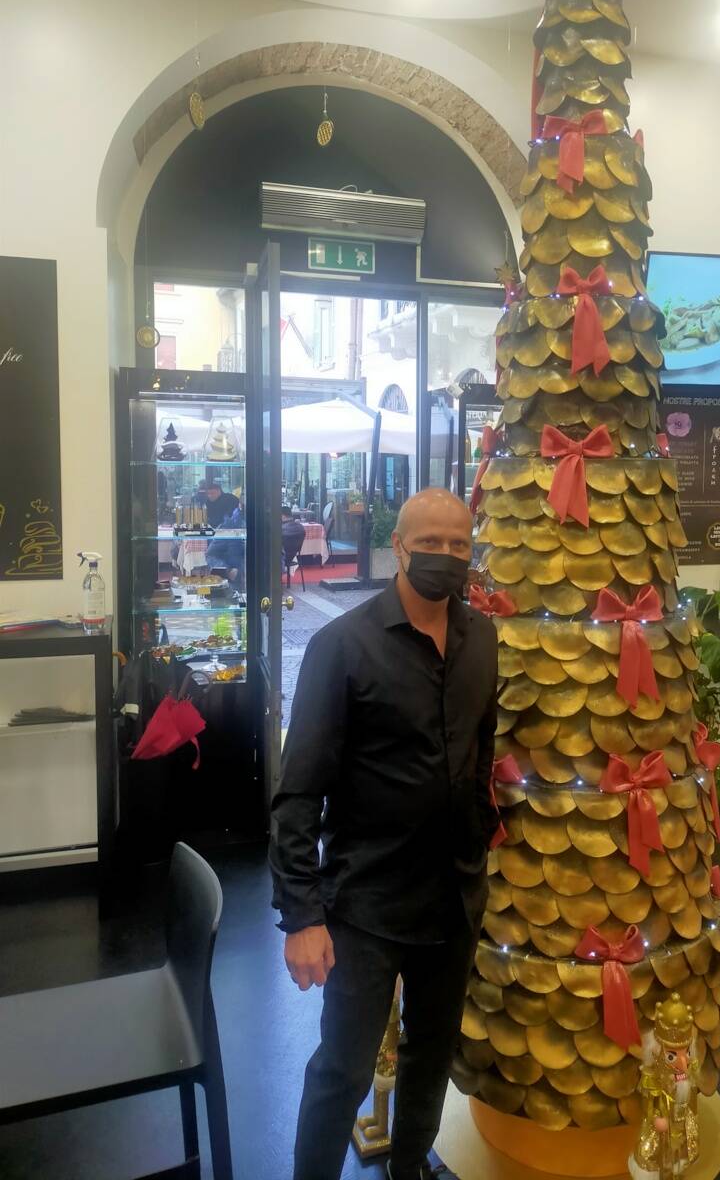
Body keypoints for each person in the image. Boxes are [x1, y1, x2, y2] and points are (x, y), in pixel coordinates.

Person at [270, 488, 498, 1180]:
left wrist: (480, 839)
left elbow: (480, 746)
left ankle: (409, 1170)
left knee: (432, 1058)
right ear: (398, 547)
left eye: (459, 544)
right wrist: (302, 915)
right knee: (341, 1066)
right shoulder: (342, 647)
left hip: (453, 900)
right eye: (430, 543)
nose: (446, 556)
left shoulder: (481, 638)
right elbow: (297, 791)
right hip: (366, 904)